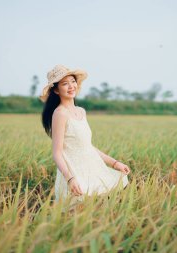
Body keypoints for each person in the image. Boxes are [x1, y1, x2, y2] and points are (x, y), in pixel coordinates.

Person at [40, 64, 131, 211]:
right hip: (74, 173)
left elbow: (87, 146)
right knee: (76, 219)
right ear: (56, 90)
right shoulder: (60, 113)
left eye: (73, 81)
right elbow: (57, 153)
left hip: (92, 168)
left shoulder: (81, 111)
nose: (71, 86)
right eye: (65, 83)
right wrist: (70, 179)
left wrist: (114, 163)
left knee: (99, 212)